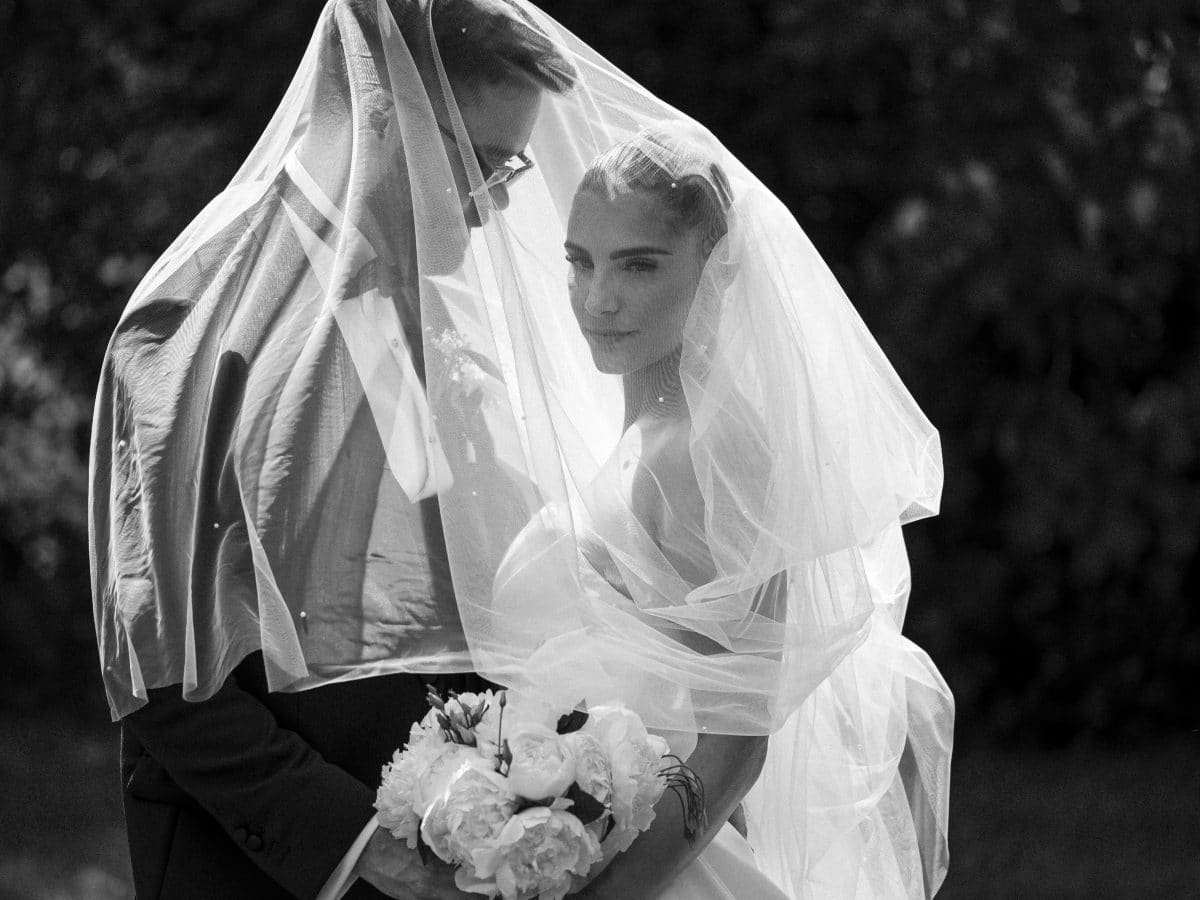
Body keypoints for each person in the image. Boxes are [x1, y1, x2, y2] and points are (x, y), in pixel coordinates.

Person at [90, 1, 576, 897]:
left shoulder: (425, 316)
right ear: (385, 108)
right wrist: (352, 842)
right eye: (481, 163)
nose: (490, 203)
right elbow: (152, 654)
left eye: (509, 167)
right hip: (257, 866)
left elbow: (461, 596)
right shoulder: (190, 318)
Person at [475, 128, 954, 898]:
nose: (598, 298)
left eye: (639, 265)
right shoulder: (636, 438)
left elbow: (733, 753)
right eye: (580, 261)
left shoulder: (711, 457)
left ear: (718, 272)